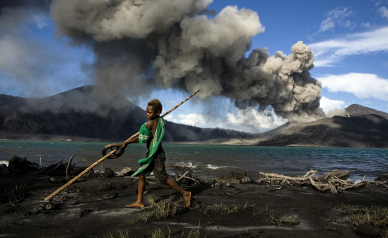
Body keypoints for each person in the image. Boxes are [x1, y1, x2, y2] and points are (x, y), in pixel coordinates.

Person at [120, 99, 191, 208]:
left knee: (163, 179)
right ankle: (139, 201)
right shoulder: (159, 121)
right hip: (152, 154)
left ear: (157, 112)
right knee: (142, 175)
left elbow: (140, 139)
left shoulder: (150, 123)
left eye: (150, 112)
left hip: (156, 156)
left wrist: (127, 142)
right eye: (146, 112)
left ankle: (185, 193)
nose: (147, 114)